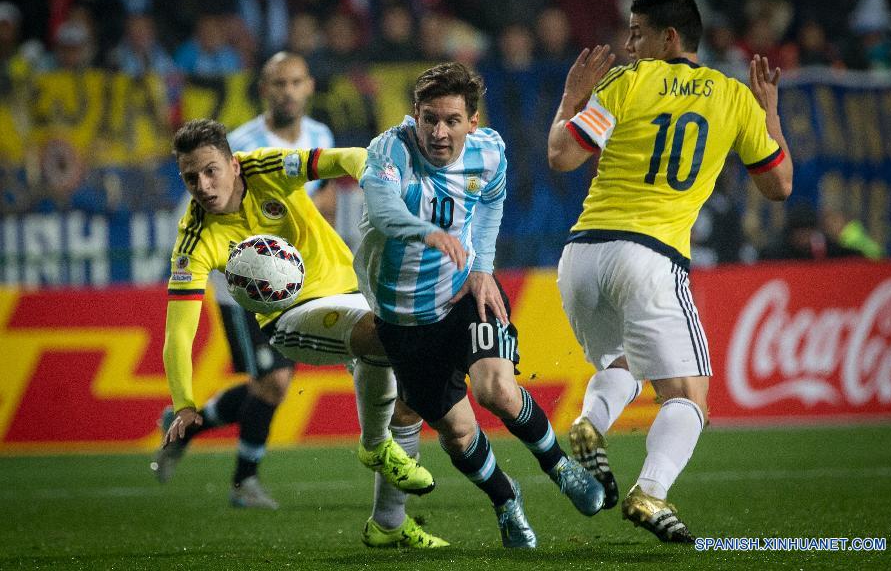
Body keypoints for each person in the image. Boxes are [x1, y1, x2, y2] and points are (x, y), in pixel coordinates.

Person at [547, 0, 793, 543]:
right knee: (689, 395)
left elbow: (562, 155)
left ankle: (591, 423)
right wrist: (771, 113)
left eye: (637, 33)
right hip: (650, 257)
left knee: (617, 367)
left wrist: (571, 98)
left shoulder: (625, 84)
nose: (629, 44)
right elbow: (779, 185)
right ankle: (650, 491)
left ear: (670, 37)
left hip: (581, 256)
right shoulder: (733, 97)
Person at [157, 118, 448, 549]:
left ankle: (389, 521)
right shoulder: (195, 239)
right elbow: (178, 332)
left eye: (210, 170)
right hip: (289, 319)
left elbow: (345, 158)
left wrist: (381, 180)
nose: (202, 184)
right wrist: (183, 402)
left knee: (409, 377)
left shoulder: (268, 168)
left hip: (351, 292)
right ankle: (371, 446)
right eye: (190, 177)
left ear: (234, 165)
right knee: (381, 339)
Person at [354, 62, 605, 549]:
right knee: (458, 433)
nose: (439, 132)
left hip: (467, 293)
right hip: (405, 318)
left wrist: (483, 268)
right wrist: (427, 232)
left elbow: (491, 201)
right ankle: (506, 499)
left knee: (497, 390)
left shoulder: (489, 152)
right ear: (415, 115)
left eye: (451, 120)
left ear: (473, 121)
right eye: (429, 119)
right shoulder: (389, 151)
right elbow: (383, 211)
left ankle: (560, 468)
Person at [153, 52, 335, 508]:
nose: (287, 92)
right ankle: (244, 482)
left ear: (309, 86)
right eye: (278, 83)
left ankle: (186, 431)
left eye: (295, 82)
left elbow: (324, 199)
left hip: (291, 279)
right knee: (272, 384)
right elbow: (196, 213)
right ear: (263, 90)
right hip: (238, 283)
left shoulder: (319, 136)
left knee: (269, 383)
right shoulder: (238, 146)